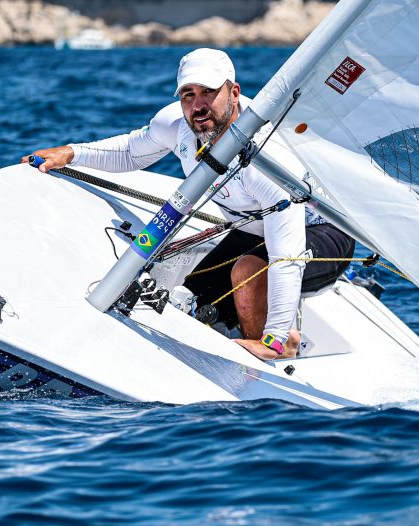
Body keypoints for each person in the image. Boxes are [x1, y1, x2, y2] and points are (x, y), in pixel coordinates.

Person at [21, 48, 354, 361]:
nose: (198, 105)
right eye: (188, 94)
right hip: (253, 229)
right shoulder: (178, 125)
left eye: (209, 92)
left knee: (247, 273)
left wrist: (276, 335)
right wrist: (72, 153)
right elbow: (130, 152)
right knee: (199, 293)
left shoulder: (265, 159)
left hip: (321, 231)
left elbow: (287, 256)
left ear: (234, 93)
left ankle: (277, 352)